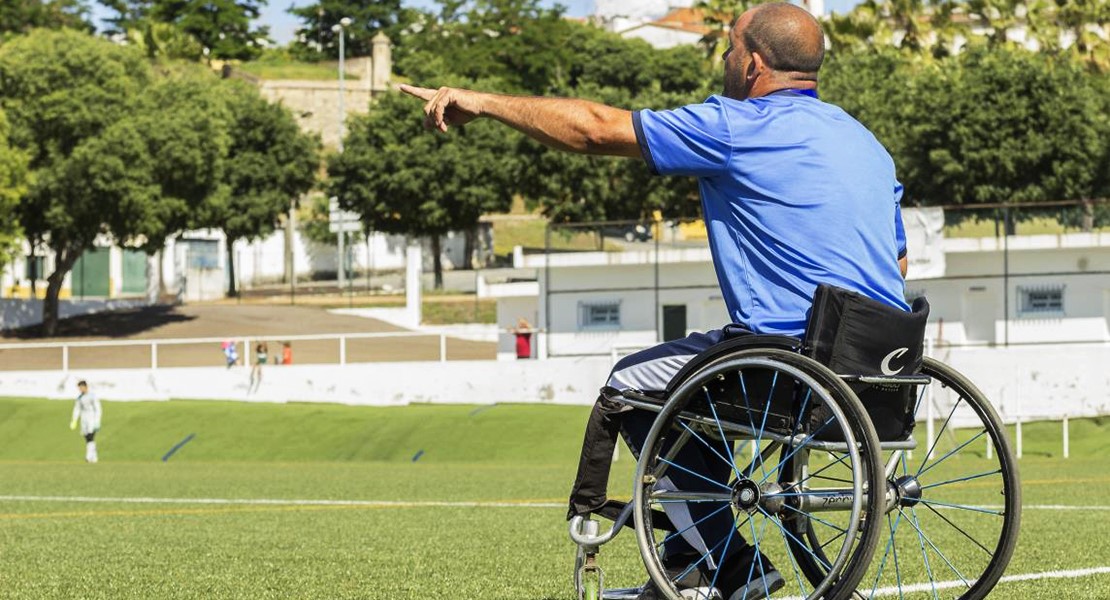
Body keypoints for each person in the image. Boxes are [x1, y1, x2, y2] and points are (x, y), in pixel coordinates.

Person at [400, 4, 909, 598]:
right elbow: (897, 263)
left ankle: (735, 568)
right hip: (877, 365)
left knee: (628, 386)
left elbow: (593, 128)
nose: (724, 59)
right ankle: (686, 560)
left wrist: (481, 102)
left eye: (727, 49)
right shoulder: (863, 141)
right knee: (695, 396)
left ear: (752, 63)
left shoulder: (734, 126)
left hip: (789, 362)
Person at [69, 380, 102, 463]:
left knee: (91, 437)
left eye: (81, 387)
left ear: (85, 387)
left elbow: (98, 409)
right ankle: (94, 457)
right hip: (84, 419)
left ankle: (88, 456)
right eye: (79, 388)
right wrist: (74, 420)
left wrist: (97, 421)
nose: (80, 389)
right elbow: (77, 409)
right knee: (87, 438)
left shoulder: (92, 396)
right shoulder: (79, 398)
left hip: (92, 418)